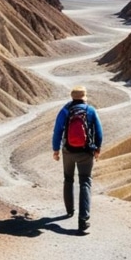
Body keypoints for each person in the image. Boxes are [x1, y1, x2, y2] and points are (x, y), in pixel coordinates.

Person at [52, 85, 102, 233]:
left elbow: (57, 131)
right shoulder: (90, 111)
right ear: (84, 97)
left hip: (68, 151)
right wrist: (97, 149)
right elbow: (99, 132)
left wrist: (56, 150)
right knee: (85, 181)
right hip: (86, 152)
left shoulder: (65, 111)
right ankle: (83, 220)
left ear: (72, 97)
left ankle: (69, 210)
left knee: (68, 178)